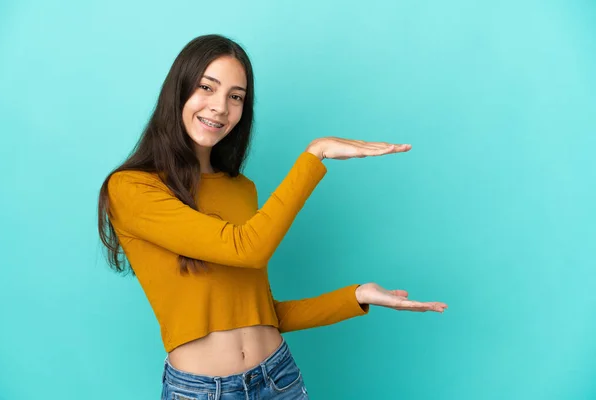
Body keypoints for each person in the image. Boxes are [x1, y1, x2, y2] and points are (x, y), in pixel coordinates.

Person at [97, 34, 448, 400]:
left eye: (236, 96)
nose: (220, 107)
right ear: (178, 90)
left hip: (279, 378)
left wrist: (357, 295)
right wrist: (316, 155)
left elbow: (264, 315)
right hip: (202, 391)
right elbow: (247, 249)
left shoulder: (241, 188)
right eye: (206, 87)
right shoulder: (132, 188)